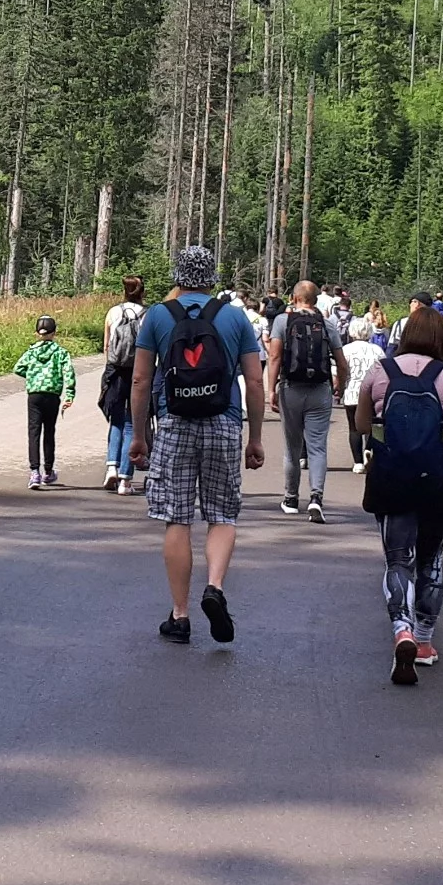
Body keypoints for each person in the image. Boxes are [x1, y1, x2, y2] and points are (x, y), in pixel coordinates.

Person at [130, 246, 267, 646]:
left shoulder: (157, 316)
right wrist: (255, 437)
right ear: (211, 277)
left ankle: (180, 616)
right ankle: (215, 587)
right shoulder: (235, 317)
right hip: (223, 422)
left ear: (177, 274)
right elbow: (254, 381)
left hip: (175, 423)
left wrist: (139, 435)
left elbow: (140, 381)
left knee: (177, 518)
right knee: (222, 514)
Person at [353, 304, 443, 685]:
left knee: (398, 561)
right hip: (438, 482)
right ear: (441, 337)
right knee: (431, 559)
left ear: (405, 334)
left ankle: (402, 630)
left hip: (391, 478)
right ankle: (424, 641)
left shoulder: (381, 371)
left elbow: (362, 425)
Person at [267, 281, 346, 521]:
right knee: (317, 447)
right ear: (316, 300)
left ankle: (291, 499)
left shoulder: (282, 321)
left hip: (291, 388)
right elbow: (341, 362)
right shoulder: (327, 324)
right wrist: (340, 386)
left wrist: (271, 390)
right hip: (320, 390)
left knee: (292, 447)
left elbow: (274, 356)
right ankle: (316, 498)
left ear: (294, 298)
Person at [13, 316, 77, 488]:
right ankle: (48, 472)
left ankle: (34, 472)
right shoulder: (61, 352)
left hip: (34, 395)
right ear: (54, 333)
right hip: (52, 395)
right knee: (49, 432)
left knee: (33, 432)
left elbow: (17, 368)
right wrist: (69, 394)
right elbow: (68, 373)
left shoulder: (31, 352)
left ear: (37, 333)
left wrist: (33, 377)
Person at [99, 278, 147, 491]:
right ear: (142, 292)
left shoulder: (113, 312)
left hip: (115, 371)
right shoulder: (147, 315)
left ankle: (112, 467)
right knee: (132, 424)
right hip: (138, 373)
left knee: (116, 420)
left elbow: (106, 347)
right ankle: (126, 480)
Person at [338, 317, 387, 475]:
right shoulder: (377, 350)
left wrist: (339, 388)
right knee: (374, 425)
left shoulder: (346, 350)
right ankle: (369, 448)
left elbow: (340, 371)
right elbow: (385, 372)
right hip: (373, 393)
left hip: (352, 392)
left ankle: (357, 462)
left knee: (354, 428)